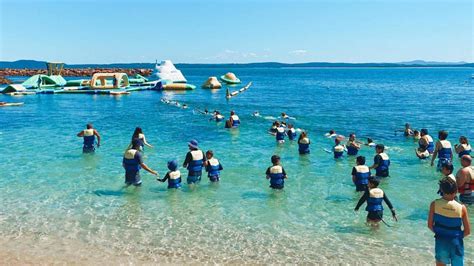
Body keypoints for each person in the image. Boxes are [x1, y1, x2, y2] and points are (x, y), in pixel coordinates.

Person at [428, 177, 470, 266]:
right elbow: (467, 231)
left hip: (441, 241)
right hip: (456, 243)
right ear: (456, 191)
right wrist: (456, 236)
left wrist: (441, 232)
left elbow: (430, 225)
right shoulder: (461, 208)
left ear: (441, 190)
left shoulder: (434, 204)